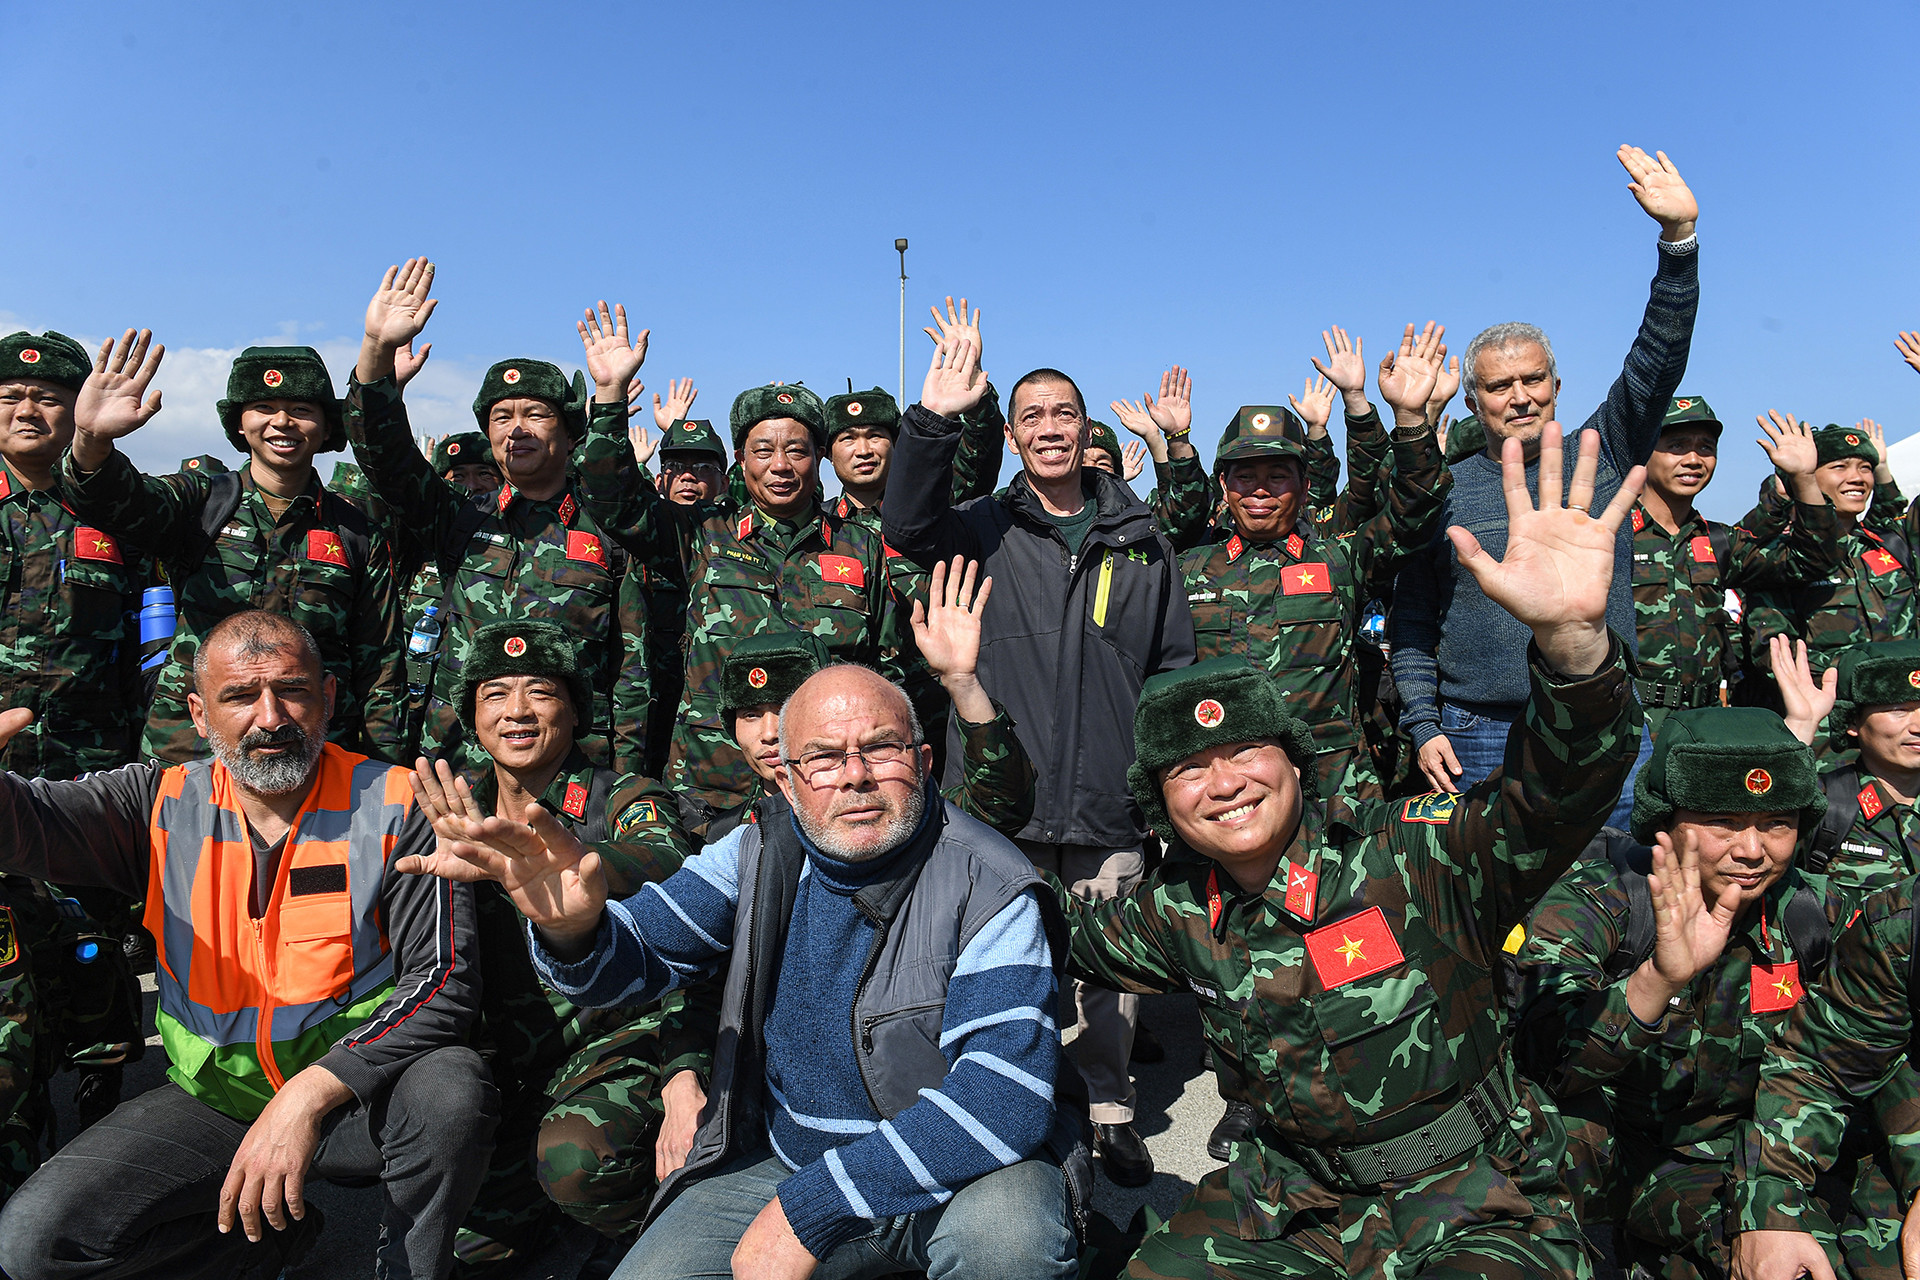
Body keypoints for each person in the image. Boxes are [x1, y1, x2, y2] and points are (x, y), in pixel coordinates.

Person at [1052, 421, 1642, 1278]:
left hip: (1474, 1196)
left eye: (1247, 754)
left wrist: (1573, 645)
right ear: (1161, 803)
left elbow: (1554, 798)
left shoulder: (1414, 857)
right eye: (1191, 771)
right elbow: (1036, 923)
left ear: (1296, 761)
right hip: (1294, 1201)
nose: (1225, 785)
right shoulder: (1174, 913)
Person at [403, 660, 1086, 1280]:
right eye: (821, 757)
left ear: (926, 760)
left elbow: (1002, 1101)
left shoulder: (990, 880)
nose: (854, 776)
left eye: (880, 748)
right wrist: (572, 927)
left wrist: (810, 1211)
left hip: (965, 1168)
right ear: (786, 782)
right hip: (792, 1155)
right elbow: (635, 960)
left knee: (1008, 1250)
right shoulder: (756, 849)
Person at [0, 610, 492, 1280]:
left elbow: (443, 980)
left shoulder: (400, 802)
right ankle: (266, 1245)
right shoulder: (157, 801)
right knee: (34, 1243)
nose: (269, 717)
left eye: (291, 690)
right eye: (239, 696)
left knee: (451, 1090)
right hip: (219, 1102)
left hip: (357, 1097)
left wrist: (313, 1091)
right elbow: (34, 825)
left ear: (328, 698)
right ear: (200, 715)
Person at [883, 307, 1196, 1186]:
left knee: (1107, 973)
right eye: (1033, 418)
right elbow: (906, 524)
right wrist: (934, 420)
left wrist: (1161, 780)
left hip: (1108, 796)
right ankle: (993, 1099)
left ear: (1086, 430)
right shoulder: (983, 528)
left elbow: (1173, 666)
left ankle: (1107, 1112)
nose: (1051, 430)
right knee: (994, 956)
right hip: (999, 797)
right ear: (1014, 436)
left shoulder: (1143, 541)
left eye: (1066, 415)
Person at [1511, 704, 1900, 1279]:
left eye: (1776, 823)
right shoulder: (1603, 899)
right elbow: (1542, 1064)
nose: (1751, 850)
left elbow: (1881, 1044)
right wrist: (1658, 979)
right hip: (1628, 1153)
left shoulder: (1819, 911)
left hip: (1769, 1143)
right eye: (1722, 821)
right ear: (1665, 822)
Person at [1392, 144, 1700, 796]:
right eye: (1501, 386)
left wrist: (1678, 243)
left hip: (1600, 716)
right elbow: (1414, 618)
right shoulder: (1440, 489)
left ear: (1558, 385)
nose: (1521, 396)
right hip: (1475, 732)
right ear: (1472, 401)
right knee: (1493, 900)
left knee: (1618, 889)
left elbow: (1656, 360)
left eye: (1534, 379)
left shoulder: (1604, 450)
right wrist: (1425, 723)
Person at [417, 620, 713, 1278]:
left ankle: (672, 1240)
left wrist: (572, 866)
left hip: (620, 1043)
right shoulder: (455, 813)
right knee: (467, 1252)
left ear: (575, 711)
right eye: (495, 694)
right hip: (514, 1064)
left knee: (578, 1165)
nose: (517, 711)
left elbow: (663, 854)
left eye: (540, 692)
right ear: (473, 716)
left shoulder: (622, 797)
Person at [566, 310, 904, 831]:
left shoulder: (863, 547)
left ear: (819, 457)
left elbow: (885, 668)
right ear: (741, 462)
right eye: (763, 450)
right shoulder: (702, 532)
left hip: (827, 787)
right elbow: (613, 499)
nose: (781, 465)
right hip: (710, 791)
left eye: (796, 450)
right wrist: (609, 398)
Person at [343, 261, 654, 776]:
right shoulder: (459, 518)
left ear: (570, 431)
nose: (517, 430)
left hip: (571, 772)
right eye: (501, 417)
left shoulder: (610, 530)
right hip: (460, 763)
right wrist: (376, 349)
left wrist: (620, 780)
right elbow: (385, 456)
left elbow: (632, 671)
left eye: (535, 414)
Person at [57, 329, 403, 764]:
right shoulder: (200, 502)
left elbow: (381, 666)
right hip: (194, 747)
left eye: (301, 409)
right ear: (239, 424)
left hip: (311, 748)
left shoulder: (355, 531)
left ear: (326, 426)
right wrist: (91, 440)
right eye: (263, 408)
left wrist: (383, 767)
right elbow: (118, 503)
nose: (282, 422)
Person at [1182, 323, 1450, 804]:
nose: (1260, 489)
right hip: (1229, 792)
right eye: (1245, 476)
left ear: (1305, 488)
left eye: (1277, 475)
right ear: (1223, 488)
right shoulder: (1187, 571)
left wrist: (1410, 418)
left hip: (1333, 793)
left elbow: (1413, 511)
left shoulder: (1341, 559)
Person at [707, 557, 1037, 841]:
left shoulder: (887, 806)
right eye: (750, 714)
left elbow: (999, 807)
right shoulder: (726, 836)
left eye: (784, 709)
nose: (768, 732)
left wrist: (961, 683)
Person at [1627, 402, 1840, 744]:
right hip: (1632, 726)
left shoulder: (1720, 540)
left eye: (1706, 448)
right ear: (1644, 452)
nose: (1694, 459)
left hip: (1705, 725)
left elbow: (1812, 561)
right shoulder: (1613, 533)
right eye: (1677, 446)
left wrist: (1804, 479)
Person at [1743, 419, 1919, 702]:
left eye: (1865, 468)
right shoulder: (1783, 559)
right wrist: (1865, 678)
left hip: (1904, 716)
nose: (1858, 478)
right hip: (1830, 727)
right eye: (1839, 467)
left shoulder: (1894, 542)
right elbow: (1774, 657)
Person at [1792, 637, 1920, 893]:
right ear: (1852, 721)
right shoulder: (1823, 806)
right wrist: (1800, 728)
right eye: (1899, 710)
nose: (1917, 727)